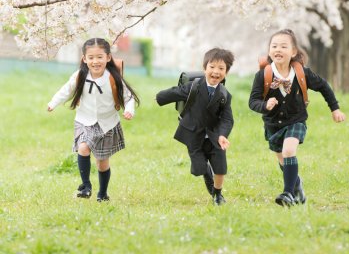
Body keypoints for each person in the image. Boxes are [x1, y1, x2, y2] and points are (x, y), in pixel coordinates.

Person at [248, 29, 345, 207]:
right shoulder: (263, 75)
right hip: (272, 124)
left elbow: (324, 86)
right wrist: (264, 105)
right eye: (274, 46)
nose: (278, 49)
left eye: (283, 46)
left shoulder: (301, 73)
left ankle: (288, 193)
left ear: (293, 52)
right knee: (283, 160)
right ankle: (297, 188)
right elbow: (252, 101)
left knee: (289, 152)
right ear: (269, 51)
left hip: (296, 120)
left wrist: (335, 109)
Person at [48, 38, 140, 202]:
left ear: (108, 58)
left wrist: (129, 110)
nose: (95, 61)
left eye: (99, 57)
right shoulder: (80, 75)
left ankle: (103, 194)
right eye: (91, 58)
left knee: (102, 163)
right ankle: (86, 186)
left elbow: (129, 97)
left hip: (107, 124)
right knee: (83, 148)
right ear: (84, 59)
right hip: (84, 120)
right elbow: (66, 90)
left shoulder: (113, 77)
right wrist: (53, 103)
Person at [156, 48, 235, 205]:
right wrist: (160, 97)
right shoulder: (194, 86)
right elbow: (176, 92)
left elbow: (227, 119)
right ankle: (207, 173)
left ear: (226, 72)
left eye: (221, 68)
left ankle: (218, 195)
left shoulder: (225, 95)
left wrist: (222, 135)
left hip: (214, 136)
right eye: (212, 67)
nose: (215, 72)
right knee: (199, 169)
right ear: (204, 68)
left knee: (220, 167)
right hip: (194, 134)